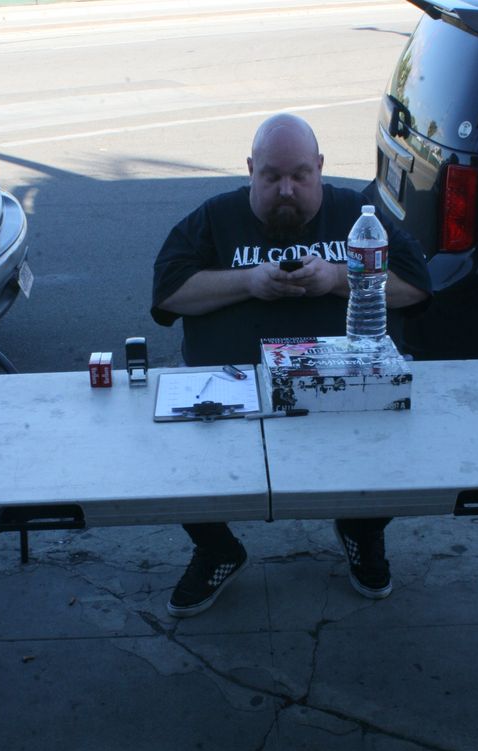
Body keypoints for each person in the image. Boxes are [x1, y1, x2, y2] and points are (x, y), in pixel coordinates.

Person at [151, 114, 431, 618]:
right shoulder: (216, 217)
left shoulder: (355, 215)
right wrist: (247, 282)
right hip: (233, 391)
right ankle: (217, 549)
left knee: (397, 432)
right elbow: (167, 292)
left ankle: (362, 529)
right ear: (250, 170)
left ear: (320, 167)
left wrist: (339, 278)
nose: (286, 190)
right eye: (272, 176)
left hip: (341, 389)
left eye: (300, 176)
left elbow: (416, 287)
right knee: (176, 448)